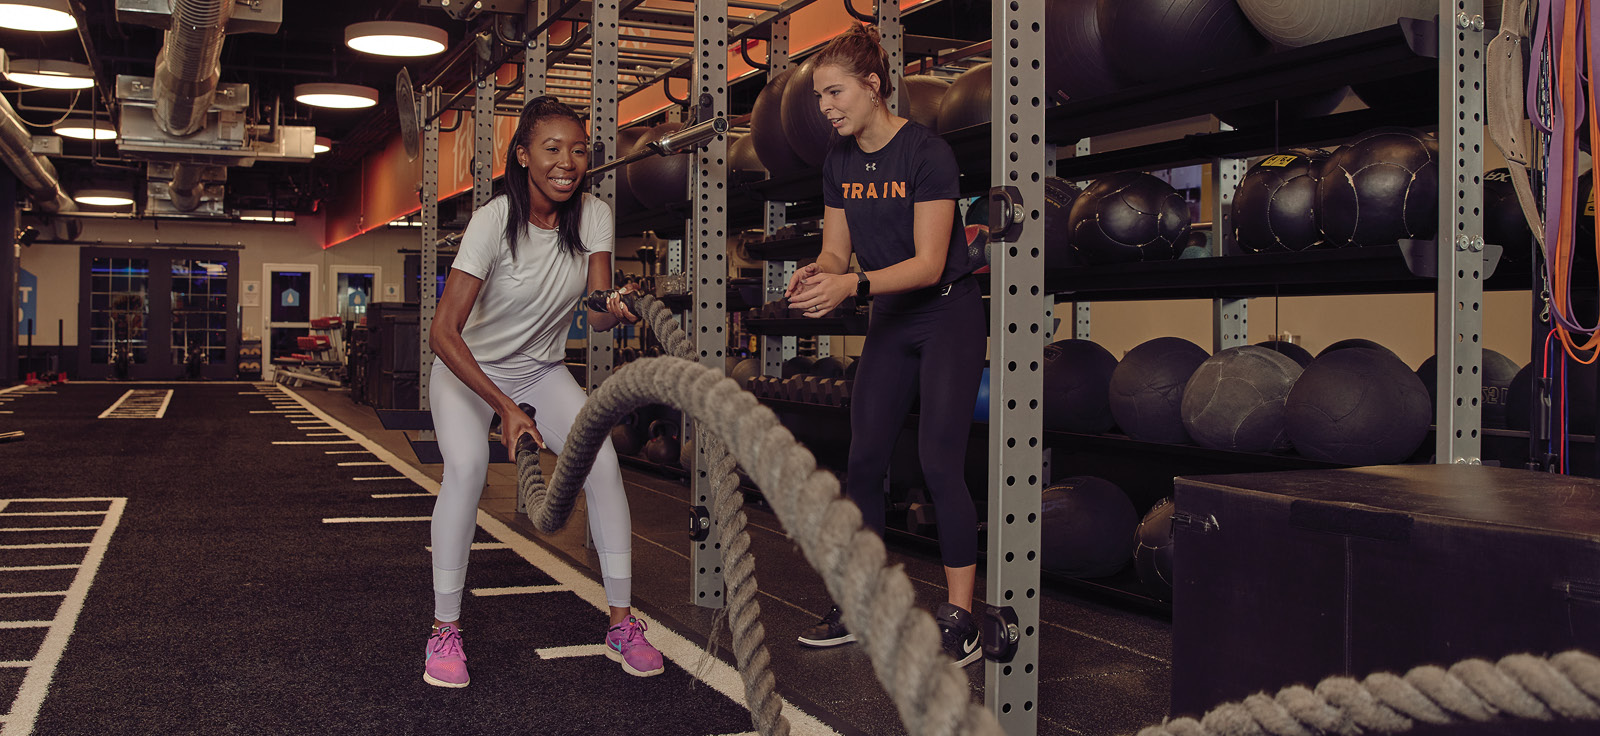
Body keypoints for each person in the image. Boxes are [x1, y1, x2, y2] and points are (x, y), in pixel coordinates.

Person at [423, 95, 660, 688]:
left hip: (540, 369)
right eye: (552, 149)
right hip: (468, 371)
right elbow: (442, 331)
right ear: (524, 155)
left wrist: (618, 305)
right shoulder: (492, 222)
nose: (567, 162)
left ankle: (621, 624)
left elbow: (595, 313)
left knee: (602, 465)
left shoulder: (596, 217)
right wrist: (503, 407)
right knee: (469, 466)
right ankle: (443, 628)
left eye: (578, 151)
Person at [784, 24, 986, 666]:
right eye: (820, 97)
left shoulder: (928, 154)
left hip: (946, 316)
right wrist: (821, 270)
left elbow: (929, 264)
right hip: (891, 322)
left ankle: (960, 618)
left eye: (836, 92)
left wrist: (854, 284)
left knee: (938, 463)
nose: (827, 107)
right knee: (866, 460)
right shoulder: (838, 162)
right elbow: (837, 248)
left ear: (873, 86)